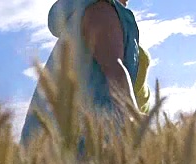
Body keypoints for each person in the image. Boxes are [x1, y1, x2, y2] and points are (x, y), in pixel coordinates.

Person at [19, 0, 151, 147]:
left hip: (57, 143)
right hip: (80, 145)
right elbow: (115, 68)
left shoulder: (89, 12)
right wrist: (133, 117)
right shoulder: (100, 10)